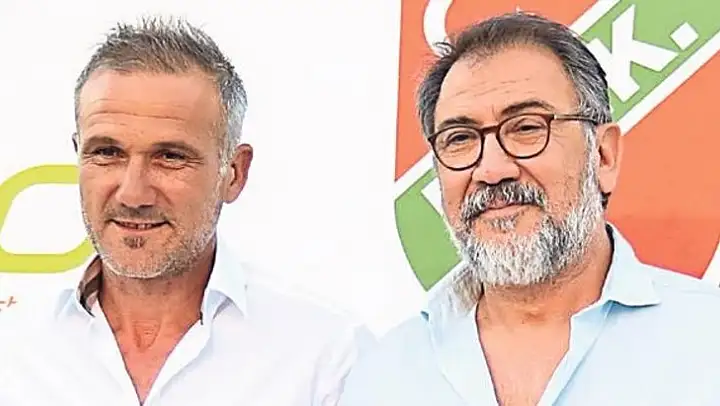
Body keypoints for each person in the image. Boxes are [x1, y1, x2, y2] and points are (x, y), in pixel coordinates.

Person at [338, 12, 720, 406]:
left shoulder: (708, 342)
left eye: (526, 128)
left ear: (603, 156)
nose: (492, 170)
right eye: (460, 138)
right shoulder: (383, 378)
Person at [0, 17, 372, 406]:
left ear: (234, 173)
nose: (133, 194)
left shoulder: (328, 356)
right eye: (107, 152)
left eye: (170, 157)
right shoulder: (12, 345)